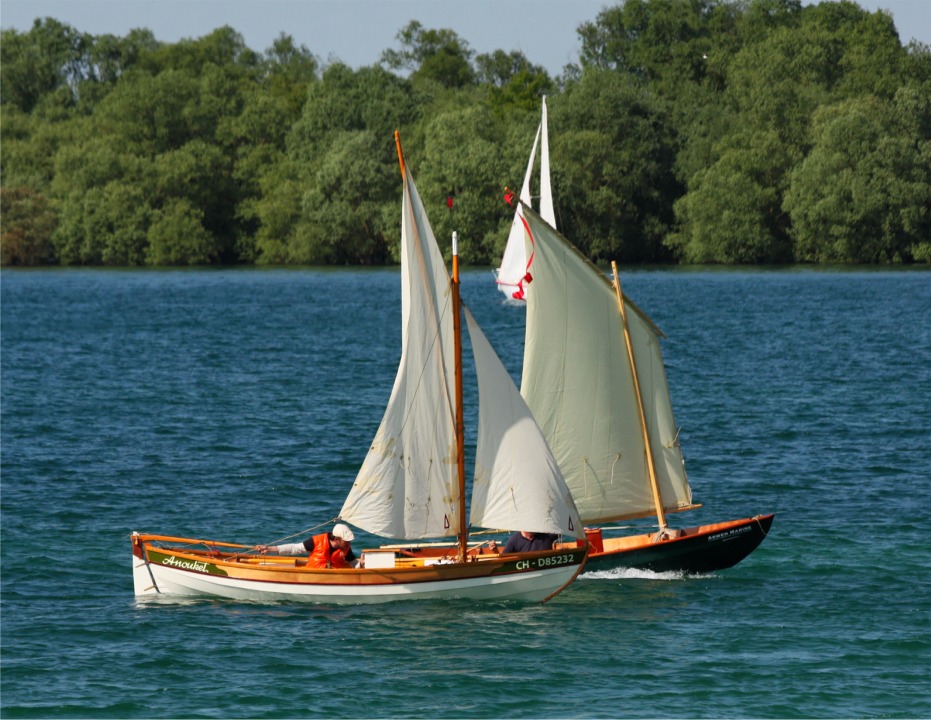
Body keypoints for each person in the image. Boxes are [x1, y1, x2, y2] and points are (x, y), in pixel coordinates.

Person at [254, 524, 358, 568]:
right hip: (313, 576)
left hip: (334, 578)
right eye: (346, 541)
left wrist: (361, 564)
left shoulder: (346, 548)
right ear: (336, 540)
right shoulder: (316, 541)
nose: (349, 544)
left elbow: (354, 564)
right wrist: (269, 548)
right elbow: (294, 548)